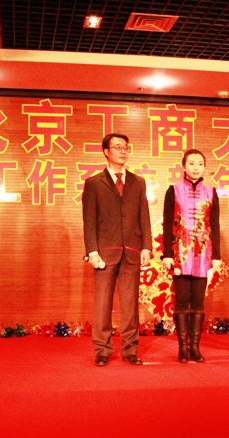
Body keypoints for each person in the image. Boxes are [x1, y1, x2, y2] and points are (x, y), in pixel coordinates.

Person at [82, 133, 152, 366]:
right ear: (106, 152)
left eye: (126, 147)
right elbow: (89, 221)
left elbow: (144, 216)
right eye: (118, 147)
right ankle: (102, 349)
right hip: (105, 252)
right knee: (103, 303)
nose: (123, 151)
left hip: (132, 250)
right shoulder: (94, 183)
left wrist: (146, 247)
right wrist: (92, 251)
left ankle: (130, 349)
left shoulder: (138, 182)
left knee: (130, 304)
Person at [162, 149, 222, 363]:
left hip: (203, 253)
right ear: (184, 166)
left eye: (200, 164)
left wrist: (217, 255)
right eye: (192, 163)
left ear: (204, 167)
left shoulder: (211, 192)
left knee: (198, 301)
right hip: (180, 252)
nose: (196, 168)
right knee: (181, 301)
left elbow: (215, 225)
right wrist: (167, 254)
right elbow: (167, 223)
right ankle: (182, 348)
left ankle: (195, 348)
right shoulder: (174, 190)